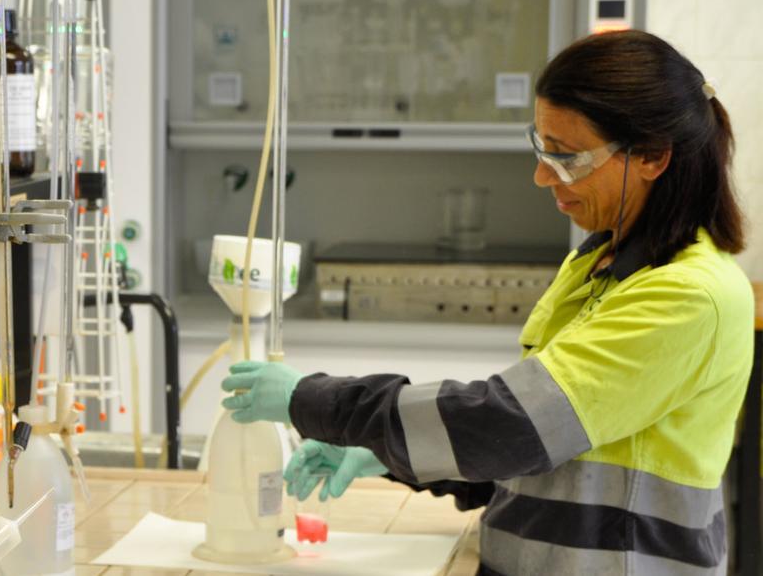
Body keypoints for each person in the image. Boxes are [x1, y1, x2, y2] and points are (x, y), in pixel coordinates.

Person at [221, 30, 753, 575]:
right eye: (542, 148)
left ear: (653, 156)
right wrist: (384, 456)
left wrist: (315, 402)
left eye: (567, 157)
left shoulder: (690, 296)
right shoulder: (596, 266)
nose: (543, 176)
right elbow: (539, 452)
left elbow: (511, 426)